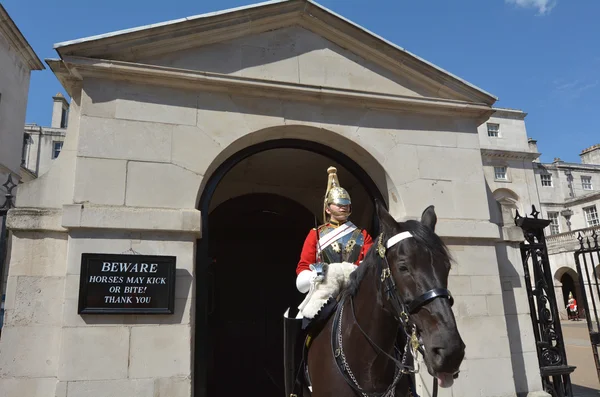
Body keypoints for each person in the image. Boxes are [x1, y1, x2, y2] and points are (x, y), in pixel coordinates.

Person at [283, 166, 373, 397]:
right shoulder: (316, 234)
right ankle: (296, 382)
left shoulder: (362, 235)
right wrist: (316, 275)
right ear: (327, 208)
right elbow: (303, 266)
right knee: (301, 324)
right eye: (338, 203)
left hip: (356, 288)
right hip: (325, 291)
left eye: (346, 204)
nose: (343, 207)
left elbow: (369, 263)